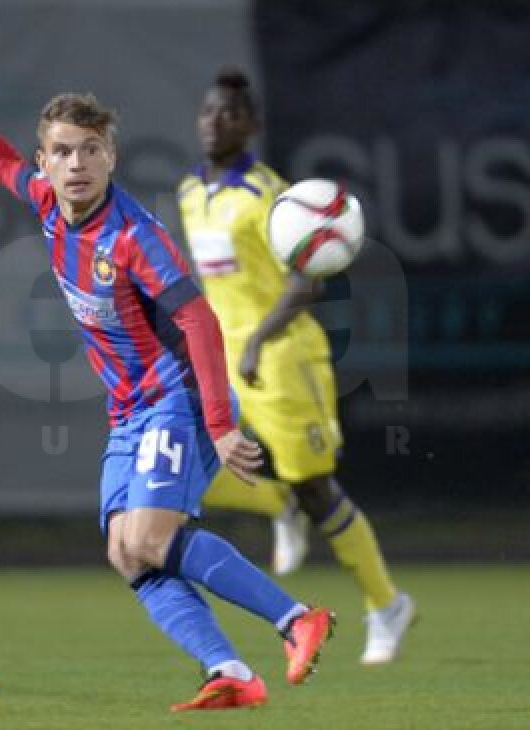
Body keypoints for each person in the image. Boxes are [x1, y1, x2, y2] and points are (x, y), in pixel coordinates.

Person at [0, 56, 333, 711]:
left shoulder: (135, 237)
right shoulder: (44, 200)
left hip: (177, 399)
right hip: (130, 411)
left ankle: (294, 618)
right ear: (44, 163)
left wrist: (219, 422)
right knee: (127, 555)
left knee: (151, 539)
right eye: (63, 152)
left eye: (90, 150)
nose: (76, 164)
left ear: (111, 158)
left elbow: (199, 319)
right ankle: (232, 672)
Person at [176, 66, 417, 665]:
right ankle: (276, 502)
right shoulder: (189, 194)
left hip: (282, 357)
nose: (215, 122)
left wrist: (258, 339)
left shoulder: (270, 196)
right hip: (225, 356)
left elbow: (306, 281)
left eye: (230, 114)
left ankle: (386, 604)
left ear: (252, 125)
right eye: (209, 112)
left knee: (315, 488)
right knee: (191, 471)